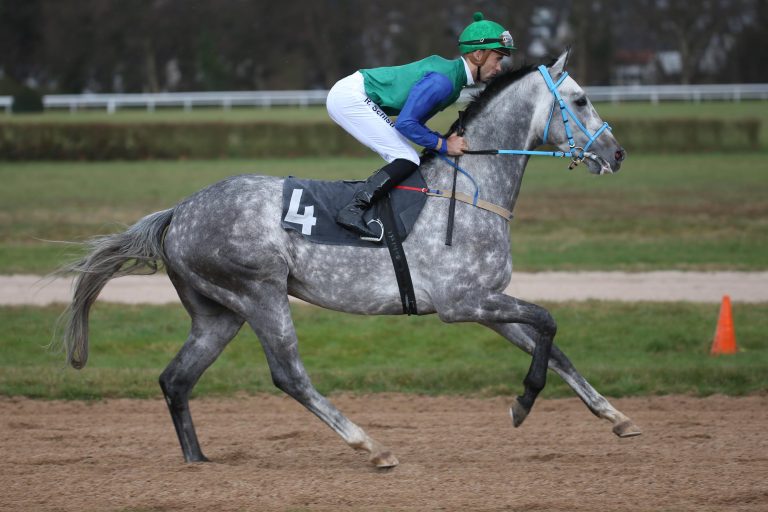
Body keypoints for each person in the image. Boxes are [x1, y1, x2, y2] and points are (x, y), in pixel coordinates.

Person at [326, 11, 515, 239]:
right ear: (477, 54)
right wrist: (444, 145)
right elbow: (405, 124)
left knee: (407, 156)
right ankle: (352, 210)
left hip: (352, 95)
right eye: (498, 59)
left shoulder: (453, 83)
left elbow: (412, 124)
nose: (499, 68)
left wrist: (439, 142)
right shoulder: (443, 82)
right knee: (406, 158)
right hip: (350, 97)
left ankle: (373, 209)